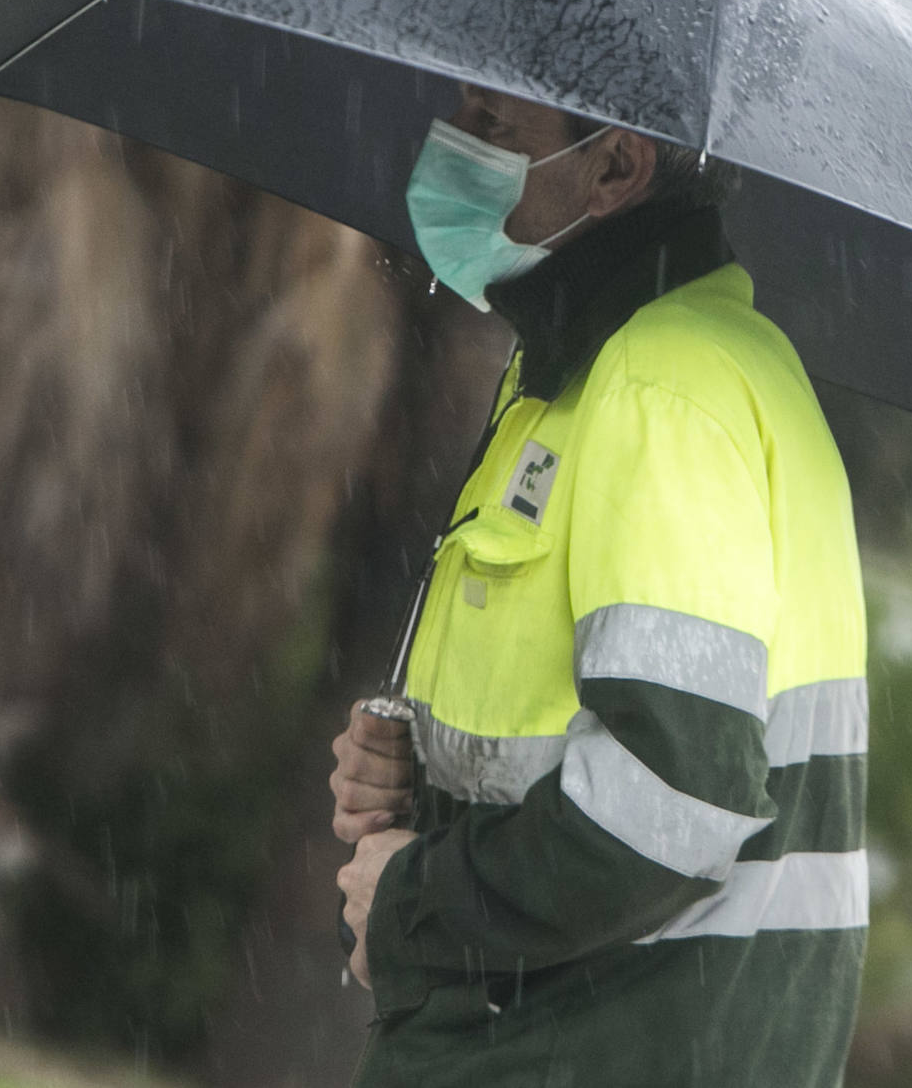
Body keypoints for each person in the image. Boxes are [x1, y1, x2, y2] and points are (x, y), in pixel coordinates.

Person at [331, 83, 868, 1087]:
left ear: (614, 170)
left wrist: (410, 898)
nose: (452, 151)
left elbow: (671, 799)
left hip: (591, 1048)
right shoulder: (582, 374)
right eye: (460, 116)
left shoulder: (664, 392)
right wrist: (414, 788)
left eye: (496, 130)